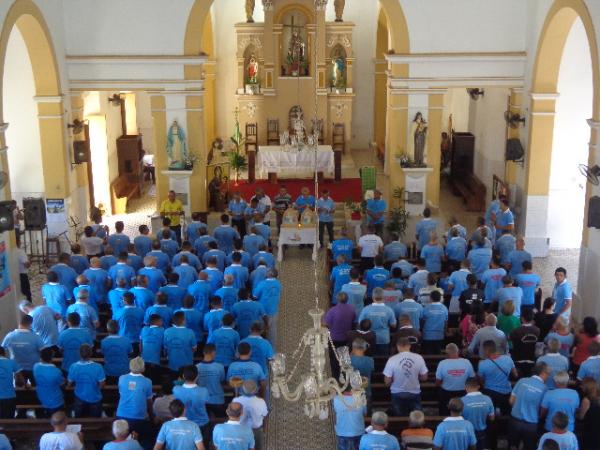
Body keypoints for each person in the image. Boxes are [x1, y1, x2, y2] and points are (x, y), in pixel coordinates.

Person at [508, 362, 550, 450]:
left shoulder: (522, 381)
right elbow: (542, 410)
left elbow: (511, 400)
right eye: (548, 374)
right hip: (531, 424)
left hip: (514, 421)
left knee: (512, 446)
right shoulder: (545, 389)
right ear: (543, 373)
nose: (549, 377)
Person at [383, 337, 428, 416]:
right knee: (417, 418)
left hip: (397, 392)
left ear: (398, 346)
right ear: (409, 346)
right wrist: (415, 377)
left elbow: (387, 381)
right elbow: (424, 377)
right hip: (414, 392)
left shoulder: (392, 359)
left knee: (399, 417)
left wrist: (394, 379)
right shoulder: (419, 358)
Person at [116, 357, 153, 448]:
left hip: (121, 415)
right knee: (144, 440)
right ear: (143, 368)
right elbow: (149, 401)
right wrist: (151, 414)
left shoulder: (122, 378)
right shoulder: (147, 381)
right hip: (139, 417)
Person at [477, 340, 516, 415]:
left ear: (486, 350)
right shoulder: (508, 359)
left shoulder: (482, 364)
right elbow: (515, 374)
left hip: (491, 393)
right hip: (507, 392)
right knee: (506, 414)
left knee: (491, 414)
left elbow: (481, 380)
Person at [2, 314, 44, 382]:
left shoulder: (9, 336)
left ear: (20, 323)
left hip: (17, 369)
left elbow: (2, 350)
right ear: (30, 324)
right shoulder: (36, 337)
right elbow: (44, 351)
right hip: (33, 368)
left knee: (19, 389)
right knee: (35, 388)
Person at [435, 343, 475, 416]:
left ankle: (443, 416)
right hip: (463, 391)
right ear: (458, 352)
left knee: (440, 396)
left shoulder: (442, 363)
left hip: (447, 392)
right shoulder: (466, 362)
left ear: (447, 354)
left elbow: (438, 382)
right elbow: (472, 378)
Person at [173, 365, 210, 440]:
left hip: (184, 424)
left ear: (183, 376)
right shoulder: (204, 391)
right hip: (202, 424)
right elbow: (206, 402)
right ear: (197, 376)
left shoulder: (176, 389)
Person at [68, 344, 105, 417]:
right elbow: (102, 384)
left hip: (79, 397)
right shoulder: (98, 367)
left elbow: (69, 384)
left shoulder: (73, 366)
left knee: (79, 420)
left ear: (79, 354)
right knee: (95, 421)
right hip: (95, 397)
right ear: (91, 353)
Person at [358, 288, 396, 355]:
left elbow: (360, 323)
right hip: (384, 339)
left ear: (373, 297)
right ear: (384, 297)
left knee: (370, 358)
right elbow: (393, 325)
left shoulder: (366, 309)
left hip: (369, 338)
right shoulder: (389, 310)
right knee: (383, 360)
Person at [233, 380, 268, 450]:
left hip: (241, 430)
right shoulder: (261, 402)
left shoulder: (236, 401)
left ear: (242, 390)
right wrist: (265, 429)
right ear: (256, 390)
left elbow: (233, 416)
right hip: (256, 430)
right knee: (258, 447)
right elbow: (265, 416)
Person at [461, 378, 494, 450]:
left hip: (466, 432)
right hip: (481, 432)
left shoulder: (461, 400)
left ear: (465, 387)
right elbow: (492, 418)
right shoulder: (488, 399)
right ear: (478, 387)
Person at [34, 347, 65, 417]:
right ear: (51, 357)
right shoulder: (57, 371)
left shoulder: (35, 367)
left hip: (41, 398)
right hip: (56, 401)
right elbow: (62, 385)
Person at [196, 344, 226, 418]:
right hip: (217, 400)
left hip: (202, 401)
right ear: (213, 353)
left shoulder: (196, 367)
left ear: (203, 352)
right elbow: (222, 381)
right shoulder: (220, 366)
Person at [333, 385, 366, 450]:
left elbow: (335, 411)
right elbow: (364, 413)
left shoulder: (336, 399)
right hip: (358, 432)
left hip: (342, 433)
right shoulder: (362, 398)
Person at [253, 269, 281, 344]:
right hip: (273, 310)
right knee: (272, 331)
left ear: (267, 275)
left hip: (262, 311)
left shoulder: (262, 284)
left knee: (259, 329)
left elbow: (255, 295)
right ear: (276, 276)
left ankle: (260, 346)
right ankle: (271, 351)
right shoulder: (278, 284)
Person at [140, 314, 165, 384]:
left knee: (145, 382)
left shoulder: (144, 329)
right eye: (161, 321)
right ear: (158, 322)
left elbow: (140, 345)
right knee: (154, 382)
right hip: (155, 362)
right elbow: (164, 346)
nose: (162, 323)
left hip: (143, 361)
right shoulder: (162, 330)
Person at [422, 290, 448, 354]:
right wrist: (444, 333)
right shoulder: (444, 308)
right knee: (438, 354)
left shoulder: (426, 308)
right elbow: (446, 322)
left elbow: (422, 322)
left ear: (431, 298)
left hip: (427, 336)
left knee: (428, 355)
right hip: (440, 335)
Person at [577, 378, 600, 450]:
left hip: (590, 430)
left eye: (582, 385)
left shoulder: (586, 400)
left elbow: (581, 417)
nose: (581, 387)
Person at [0, 346, 22, 419]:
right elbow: (20, 377)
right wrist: (26, 385)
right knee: (9, 418)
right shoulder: (12, 362)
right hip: (9, 396)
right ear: (4, 353)